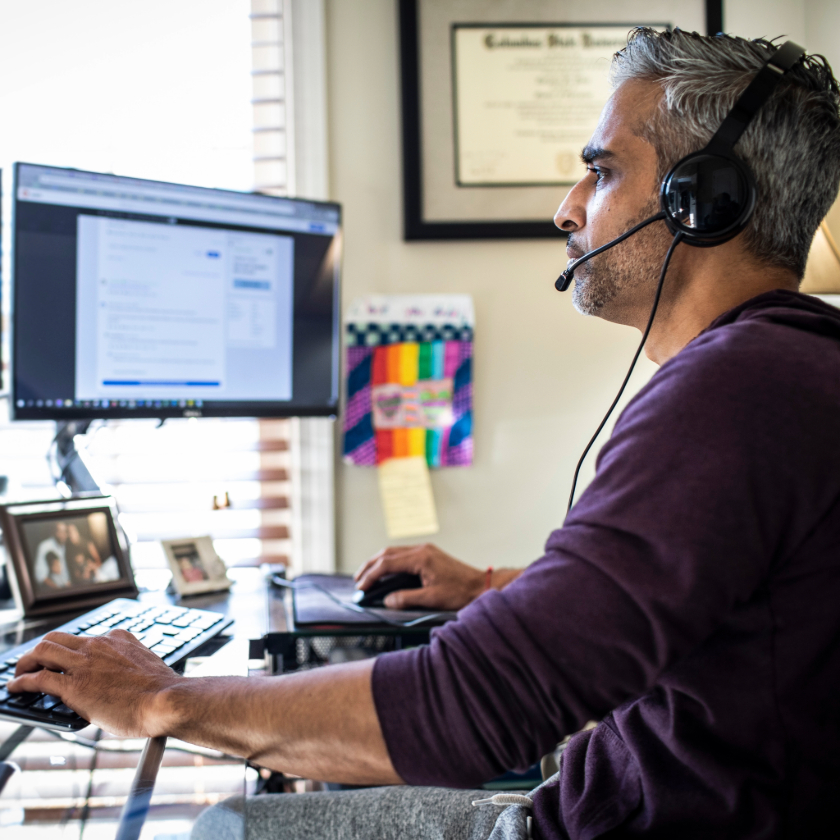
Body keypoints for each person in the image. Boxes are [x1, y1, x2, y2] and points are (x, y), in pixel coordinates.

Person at [9, 29, 840, 838]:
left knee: (233, 823)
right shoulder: (792, 372)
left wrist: (162, 700)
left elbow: (476, 706)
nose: (567, 210)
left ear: (701, 198)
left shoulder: (735, 394)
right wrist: (494, 588)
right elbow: (722, 596)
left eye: (601, 170)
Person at [32, 520, 70, 588]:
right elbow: (41, 576)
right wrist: (59, 591)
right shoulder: (45, 546)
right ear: (55, 532)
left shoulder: (63, 546)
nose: (64, 535)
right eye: (61, 532)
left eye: (65, 532)